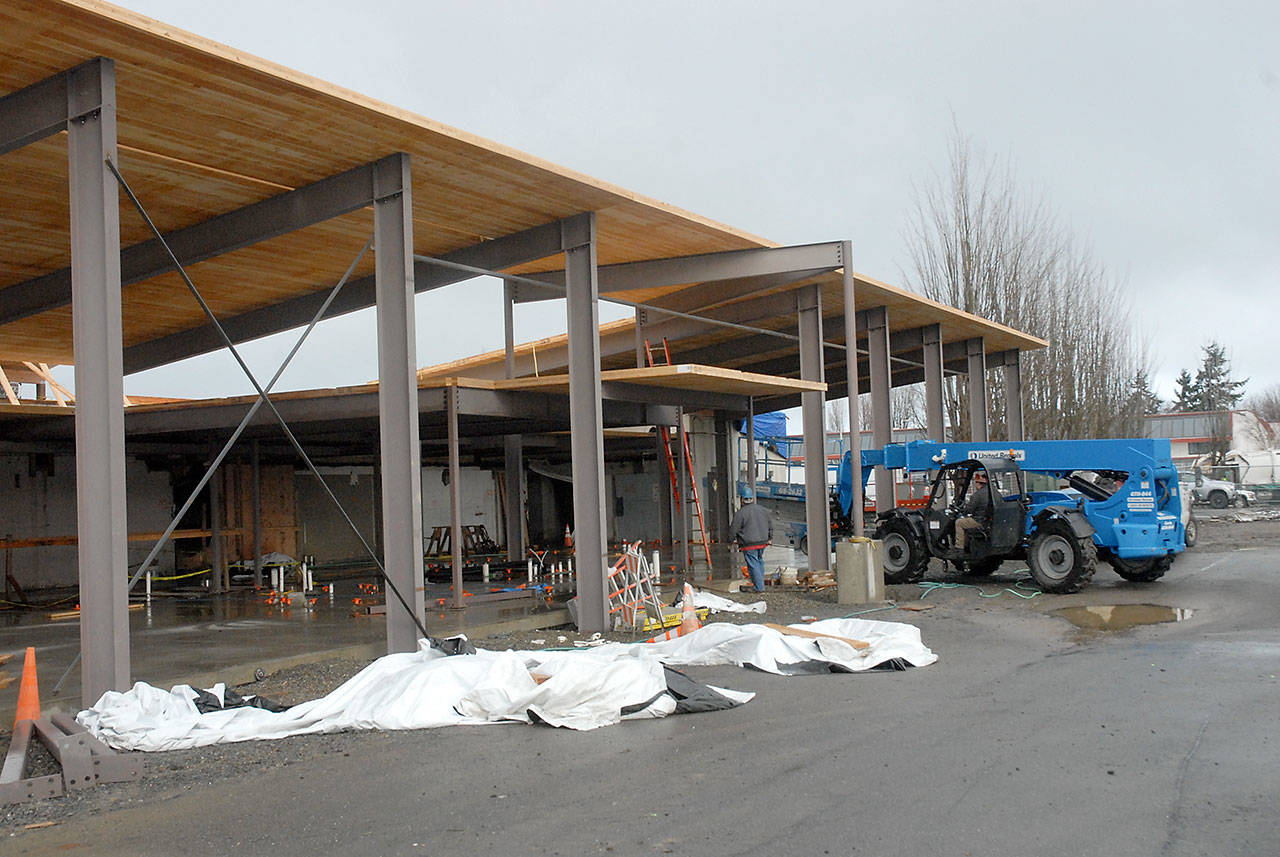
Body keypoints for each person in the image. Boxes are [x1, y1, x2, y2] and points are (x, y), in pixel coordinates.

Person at [730, 487, 773, 593]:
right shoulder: (763, 510)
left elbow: (733, 529)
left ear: (742, 499)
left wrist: (730, 541)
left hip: (749, 543)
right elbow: (770, 525)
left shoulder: (741, 513)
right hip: (762, 542)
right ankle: (760, 584)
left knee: (753, 564)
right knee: (759, 562)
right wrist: (769, 538)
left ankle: (759, 588)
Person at [954, 469, 993, 553]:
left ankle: (959, 548)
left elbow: (969, 509)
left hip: (979, 521)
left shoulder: (977, 495)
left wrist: (962, 510)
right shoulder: (993, 493)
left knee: (959, 522)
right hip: (988, 521)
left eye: (976, 483)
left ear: (979, 484)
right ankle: (967, 544)